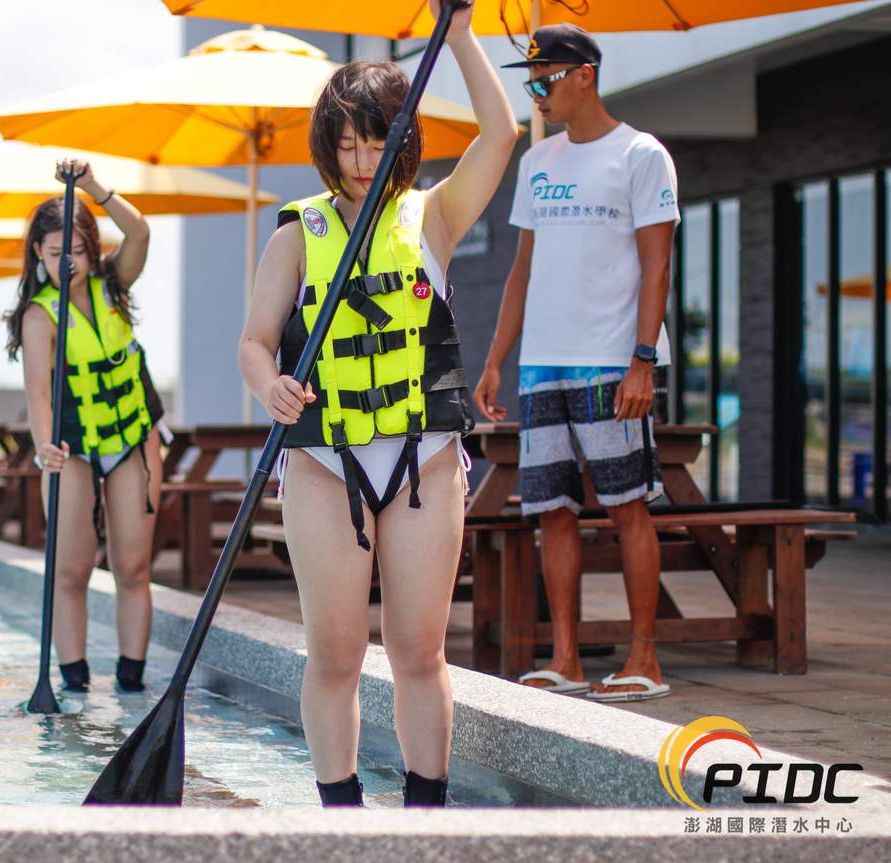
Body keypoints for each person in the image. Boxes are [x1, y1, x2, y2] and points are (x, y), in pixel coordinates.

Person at [238, 0, 517, 807]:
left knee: (417, 650)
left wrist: (459, 38)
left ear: (403, 141)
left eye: (376, 140)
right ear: (327, 148)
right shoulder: (296, 233)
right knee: (332, 653)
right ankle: (342, 819)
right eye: (347, 143)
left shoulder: (429, 214)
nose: (361, 161)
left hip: (423, 459)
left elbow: (499, 138)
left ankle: (425, 815)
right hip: (325, 461)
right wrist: (270, 383)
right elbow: (255, 342)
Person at [473, 23, 679, 703]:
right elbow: (519, 273)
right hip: (542, 368)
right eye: (528, 83)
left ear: (582, 75)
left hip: (609, 362)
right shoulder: (537, 163)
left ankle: (642, 657)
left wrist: (641, 361)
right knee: (551, 511)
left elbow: (657, 265)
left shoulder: (640, 154)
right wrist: (496, 360)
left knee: (626, 507)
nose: (534, 93)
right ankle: (564, 657)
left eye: (543, 80)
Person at [6, 157, 167, 695]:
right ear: (38, 255)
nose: (68, 264)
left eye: (76, 251)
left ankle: (131, 686)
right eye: (56, 254)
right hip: (70, 449)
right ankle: (73, 686)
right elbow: (37, 394)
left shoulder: (115, 283)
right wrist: (45, 447)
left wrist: (94, 186)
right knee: (71, 570)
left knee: (133, 567)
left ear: (91, 249)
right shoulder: (38, 314)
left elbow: (139, 230)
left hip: (133, 440)